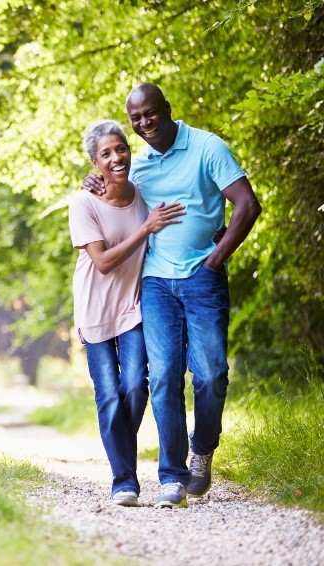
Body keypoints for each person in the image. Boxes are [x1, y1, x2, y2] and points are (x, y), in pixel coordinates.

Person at [84, 84, 262, 508]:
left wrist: (217, 258)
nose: (145, 123)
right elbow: (112, 194)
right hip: (156, 284)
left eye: (150, 114)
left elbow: (247, 205)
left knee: (212, 373)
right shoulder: (139, 165)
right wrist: (93, 177)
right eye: (136, 119)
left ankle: (203, 449)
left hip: (203, 279)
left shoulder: (207, 147)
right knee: (163, 378)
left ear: (166, 109)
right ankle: (172, 477)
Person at [69, 119, 185, 507]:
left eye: (121, 149)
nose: (117, 157)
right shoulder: (83, 202)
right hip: (94, 308)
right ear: (94, 162)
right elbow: (101, 262)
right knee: (108, 396)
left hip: (133, 306)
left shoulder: (143, 194)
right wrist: (145, 229)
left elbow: (179, 209)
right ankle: (124, 481)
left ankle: (119, 447)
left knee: (135, 385)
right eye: (106, 154)